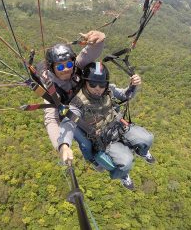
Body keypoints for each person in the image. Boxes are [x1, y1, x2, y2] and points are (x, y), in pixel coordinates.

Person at [58, 62, 155, 190]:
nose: (98, 88)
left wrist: (133, 86)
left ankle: (141, 152)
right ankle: (122, 175)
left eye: (102, 84)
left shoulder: (109, 90)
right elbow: (68, 123)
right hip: (105, 140)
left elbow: (126, 95)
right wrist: (64, 145)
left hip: (118, 127)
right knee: (126, 163)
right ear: (85, 82)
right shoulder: (77, 103)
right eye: (92, 84)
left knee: (148, 139)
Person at [42, 31, 105, 160]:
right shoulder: (52, 89)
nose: (66, 69)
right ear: (52, 69)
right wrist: (62, 146)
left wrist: (99, 40)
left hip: (85, 106)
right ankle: (94, 160)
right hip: (70, 117)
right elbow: (51, 119)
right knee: (86, 144)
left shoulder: (76, 68)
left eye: (69, 64)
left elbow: (88, 54)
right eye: (60, 67)